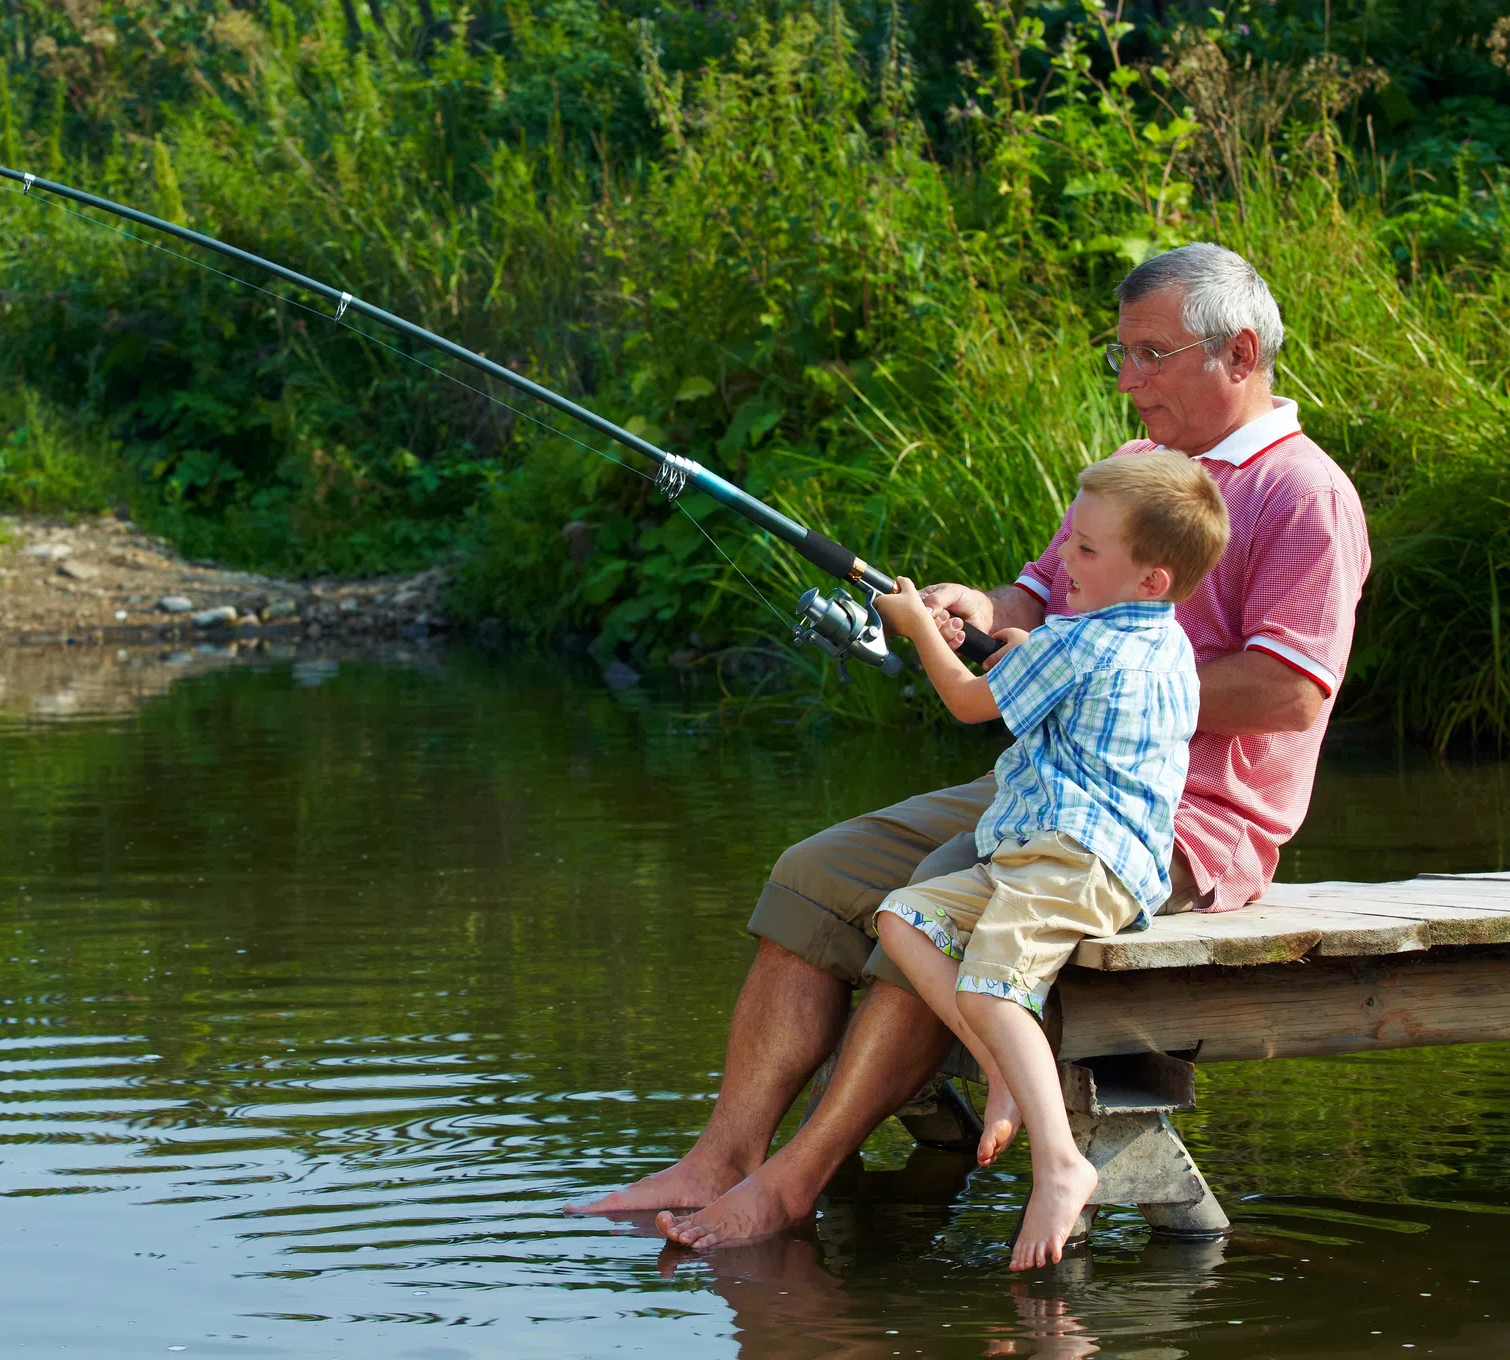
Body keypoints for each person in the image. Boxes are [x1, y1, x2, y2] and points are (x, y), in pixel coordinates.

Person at [567, 241, 1372, 1252]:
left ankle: (790, 1182)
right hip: (1038, 790)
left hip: (1177, 827)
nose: (1125, 379)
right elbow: (1040, 595)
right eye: (1118, 354)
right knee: (811, 874)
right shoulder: (1131, 470)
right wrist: (971, 607)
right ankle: (719, 1155)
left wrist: (1092, 682)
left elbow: (1291, 693)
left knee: (944, 907)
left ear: (1238, 352)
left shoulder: (1305, 495)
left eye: (1149, 354)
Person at [870, 449, 1230, 1270]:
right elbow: (1081, 685)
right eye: (1072, 540)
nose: (1064, 557)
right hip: (1087, 861)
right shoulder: (1164, 641)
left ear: (1152, 576)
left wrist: (921, 628)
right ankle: (1007, 1068)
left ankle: (1062, 1163)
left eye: (1089, 550)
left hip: (1072, 859)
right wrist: (1028, 647)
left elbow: (967, 702)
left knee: (990, 983)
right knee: (904, 916)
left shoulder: (1075, 645)